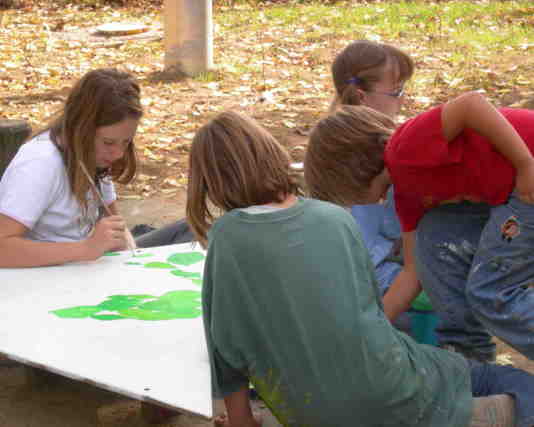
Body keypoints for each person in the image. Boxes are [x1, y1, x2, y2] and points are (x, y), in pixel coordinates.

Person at [186, 109, 534, 427]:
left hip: (304, 410)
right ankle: (480, 411)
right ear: (271, 154)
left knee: (454, 351)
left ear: (210, 184)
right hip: (391, 384)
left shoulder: (227, 236)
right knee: (498, 379)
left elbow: (224, 344)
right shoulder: (334, 218)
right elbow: (373, 310)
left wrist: (241, 420)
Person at [305, 91, 534, 362]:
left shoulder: (405, 148)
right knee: (434, 236)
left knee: (490, 292)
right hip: (510, 195)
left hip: (526, 180)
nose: (354, 203)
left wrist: (524, 163)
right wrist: (368, 332)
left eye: (346, 196)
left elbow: (470, 104)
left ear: (351, 172)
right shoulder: (407, 195)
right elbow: (412, 272)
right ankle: (466, 352)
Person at [0, 68, 140, 267]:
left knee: (183, 230)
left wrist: (126, 245)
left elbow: (115, 223)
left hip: (88, 269)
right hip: (48, 278)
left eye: (126, 142)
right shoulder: (39, 163)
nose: (118, 154)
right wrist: (85, 249)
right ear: (80, 128)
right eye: (108, 142)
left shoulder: (96, 156)